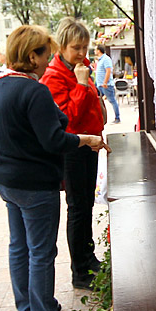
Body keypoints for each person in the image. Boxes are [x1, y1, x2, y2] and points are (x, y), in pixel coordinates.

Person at [0, 25, 103, 311]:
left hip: (8, 179)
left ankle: (28, 308)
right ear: (32, 55)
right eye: (45, 53)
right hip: (35, 182)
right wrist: (84, 139)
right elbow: (53, 139)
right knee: (40, 251)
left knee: (19, 246)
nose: (48, 59)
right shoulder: (33, 89)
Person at [42, 19, 109, 290]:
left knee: (85, 207)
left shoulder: (79, 69)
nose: (82, 53)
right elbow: (66, 118)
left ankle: (88, 259)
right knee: (78, 210)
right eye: (75, 47)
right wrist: (82, 86)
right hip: (74, 149)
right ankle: (80, 271)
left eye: (85, 47)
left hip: (88, 146)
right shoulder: (55, 76)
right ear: (61, 45)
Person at [95, 44, 121, 124]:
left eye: (95, 50)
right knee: (98, 101)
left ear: (99, 50)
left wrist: (105, 82)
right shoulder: (100, 60)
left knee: (112, 100)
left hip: (106, 85)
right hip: (100, 84)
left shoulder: (106, 59)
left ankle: (117, 118)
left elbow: (108, 71)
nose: (94, 51)